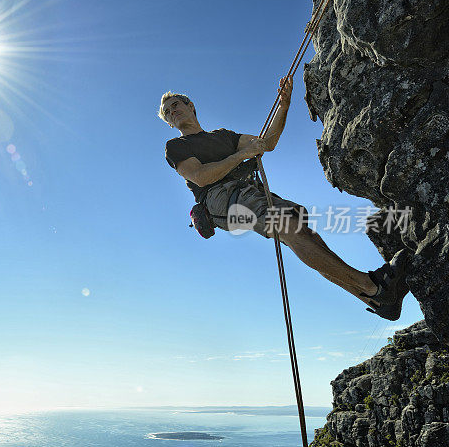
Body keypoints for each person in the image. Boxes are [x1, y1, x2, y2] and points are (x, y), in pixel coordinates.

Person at [159, 77, 409, 320]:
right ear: (169, 123)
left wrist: (283, 105)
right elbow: (202, 177)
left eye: (176, 105)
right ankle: (374, 286)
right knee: (289, 227)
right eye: (168, 112)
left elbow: (267, 143)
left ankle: (377, 302)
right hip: (222, 198)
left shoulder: (223, 136)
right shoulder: (176, 147)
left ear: (190, 106)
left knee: (305, 235)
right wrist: (241, 156)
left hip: (250, 191)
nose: (173, 111)